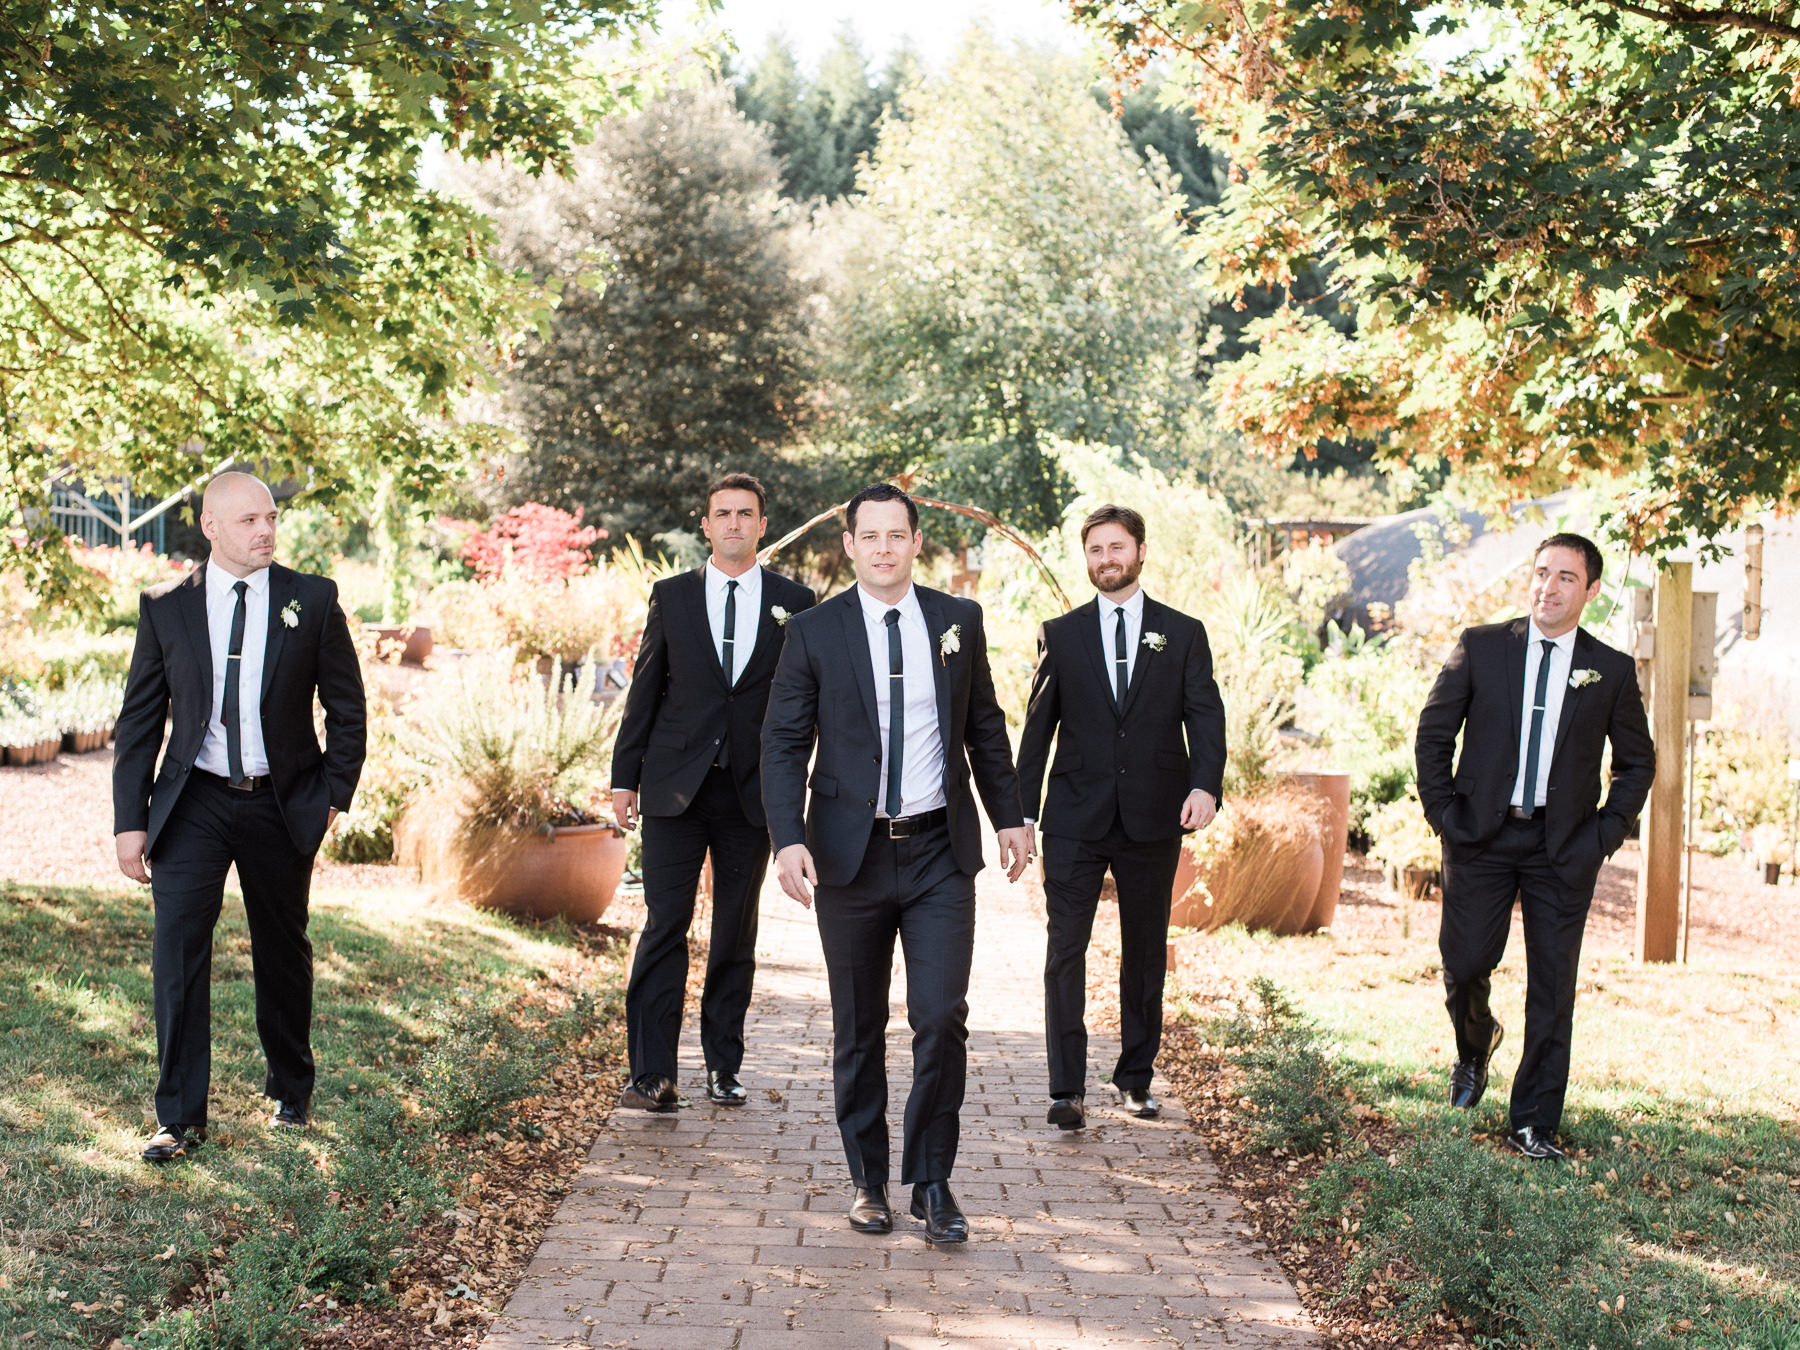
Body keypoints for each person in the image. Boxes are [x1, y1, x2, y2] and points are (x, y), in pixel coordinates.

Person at [761, 483, 1033, 1243]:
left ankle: (933, 1182)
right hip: (848, 858)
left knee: (941, 1017)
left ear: (918, 543)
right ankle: (868, 1181)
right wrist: (788, 839)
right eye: (869, 536)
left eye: (896, 535)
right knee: (858, 1025)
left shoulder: (957, 622)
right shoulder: (814, 633)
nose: (883, 547)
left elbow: (984, 723)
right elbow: (782, 743)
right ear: (849, 546)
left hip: (940, 852)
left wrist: (1008, 816)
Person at [112, 472, 366, 1163]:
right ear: (211, 527)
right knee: (178, 951)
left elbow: (348, 711)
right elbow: (140, 722)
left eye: (272, 518)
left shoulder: (310, 599)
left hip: (280, 804)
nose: (266, 531)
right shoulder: (166, 607)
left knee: (282, 950)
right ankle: (178, 1117)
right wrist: (128, 820)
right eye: (250, 520)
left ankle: (291, 1090)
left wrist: (331, 797)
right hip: (192, 801)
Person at [1415, 532, 1654, 1161]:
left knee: (1553, 987)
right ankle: (1474, 1046)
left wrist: (1601, 838)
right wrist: (1445, 815)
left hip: (1563, 848)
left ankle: (1534, 1122)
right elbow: (1434, 733)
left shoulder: (1610, 669)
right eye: (1542, 573)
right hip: (1480, 838)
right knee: (1465, 964)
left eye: (1566, 578)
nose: (1548, 588)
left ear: (1592, 591)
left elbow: (1637, 764)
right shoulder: (1483, 647)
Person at [1016, 504, 1226, 1130]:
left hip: (1154, 817)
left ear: (1140, 551)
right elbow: (1036, 732)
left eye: (1116, 548)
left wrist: (1205, 786)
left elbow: (1205, 716)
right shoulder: (1061, 632)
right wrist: (1021, 816)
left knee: (1143, 953)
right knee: (1065, 950)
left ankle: (1136, 1079)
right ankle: (1066, 1089)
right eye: (1095, 550)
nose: (1106, 560)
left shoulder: (1183, 633)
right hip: (1075, 818)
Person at [610, 473, 816, 1112]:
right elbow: (645, 687)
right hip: (674, 788)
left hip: (751, 793)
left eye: (744, 514)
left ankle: (724, 1065)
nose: (732, 523)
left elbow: (806, 699)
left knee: (735, 930)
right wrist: (624, 776)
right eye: (721, 514)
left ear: (761, 524)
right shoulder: (671, 596)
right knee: (665, 925)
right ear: (706, 525)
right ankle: (652, 1072)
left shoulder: (795, 600)